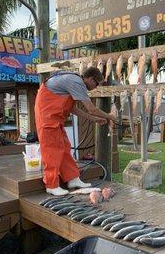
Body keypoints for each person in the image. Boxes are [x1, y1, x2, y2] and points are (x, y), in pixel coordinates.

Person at [35, 67, 116, 196]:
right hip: (47, 118)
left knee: (64, 147)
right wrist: (110, 116)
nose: (95, 88)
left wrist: (94, 119)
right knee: (52, 150)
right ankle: (51, 185)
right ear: (89, 78)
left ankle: (72, 179)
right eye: (95, 84)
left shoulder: (74, 81)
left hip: (56, 118)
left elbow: (73, 109)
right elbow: (92, 109)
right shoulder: (76, 82)